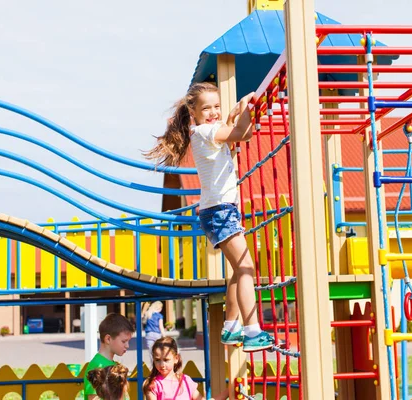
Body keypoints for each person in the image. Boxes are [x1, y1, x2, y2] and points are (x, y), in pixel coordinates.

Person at [143, 82, 274, 352]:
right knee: (247, 268)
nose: (213, 112)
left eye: (217, 106)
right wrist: (250, 106)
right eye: (207, 108)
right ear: (194, 112)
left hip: (219, 211)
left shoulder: (204, 132)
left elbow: (231, 133)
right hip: (221, 211)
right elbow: (242, 134)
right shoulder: (206, 131)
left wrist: (235, 111)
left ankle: (230, 327)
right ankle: (251, 331)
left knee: (239, 271)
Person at [143, 337, 228, 400]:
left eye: (166, 360)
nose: (162, 364)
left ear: (176, 358)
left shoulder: (186, 381)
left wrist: (228, 391)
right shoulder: (153, 384)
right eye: (157, 360)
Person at [84, 313, 135, 400]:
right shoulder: (97, 366)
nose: (127, 346)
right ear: (108, 339)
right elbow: (93, 398)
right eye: (123, 341)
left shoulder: (111, 364)